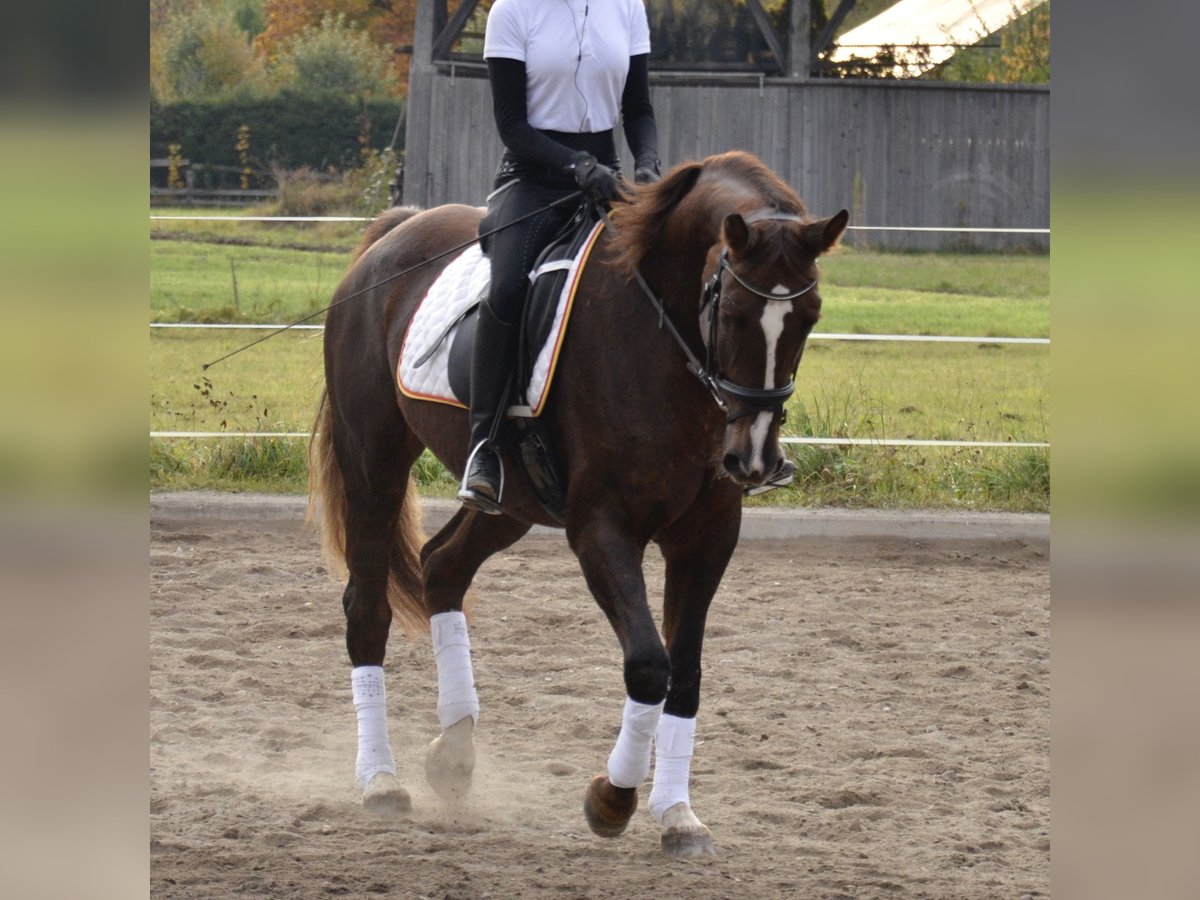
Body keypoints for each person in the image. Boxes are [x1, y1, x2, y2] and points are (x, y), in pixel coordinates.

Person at [457, 0, 662, 514]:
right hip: (532, 179)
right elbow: (512, 126)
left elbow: (637, 108)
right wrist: (576, 164)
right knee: (507, 288)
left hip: (607, 179)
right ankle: (484, 447)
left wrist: (649, 165)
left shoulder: (628, 8)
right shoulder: (512, 11)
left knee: (668, 276)